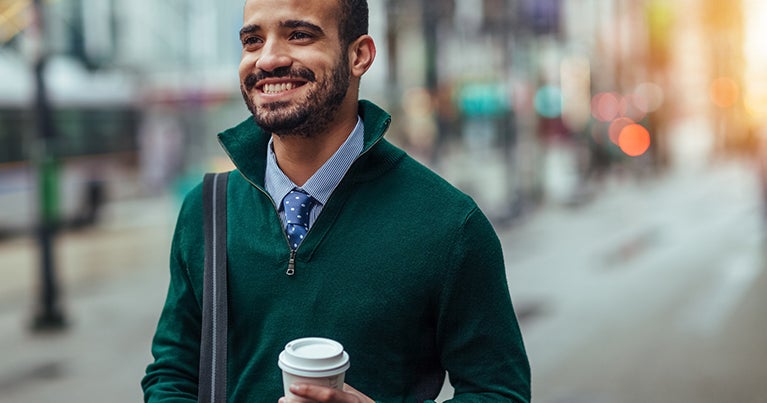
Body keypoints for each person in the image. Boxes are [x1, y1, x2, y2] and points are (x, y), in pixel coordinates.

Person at [141, 0, 531, 401]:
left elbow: (500, 393)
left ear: (359, 55)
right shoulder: (206, 210)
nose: (269, 58)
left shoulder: (450, 224)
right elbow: (172, 373)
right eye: (253, 40)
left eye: (299, 35)